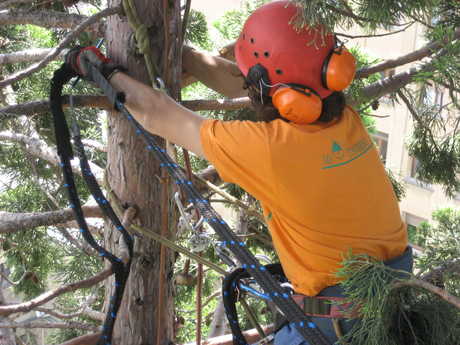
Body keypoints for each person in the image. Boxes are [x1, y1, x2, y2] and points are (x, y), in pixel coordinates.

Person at [67, 1, 412, 343]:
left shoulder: (269, 148)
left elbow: (158, 114)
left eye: (254, 83)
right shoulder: (343, 117)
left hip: (335, 326)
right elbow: (240, 84)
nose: (246, 90)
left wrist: (102, 71)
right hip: (393, 298)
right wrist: (183, 54)